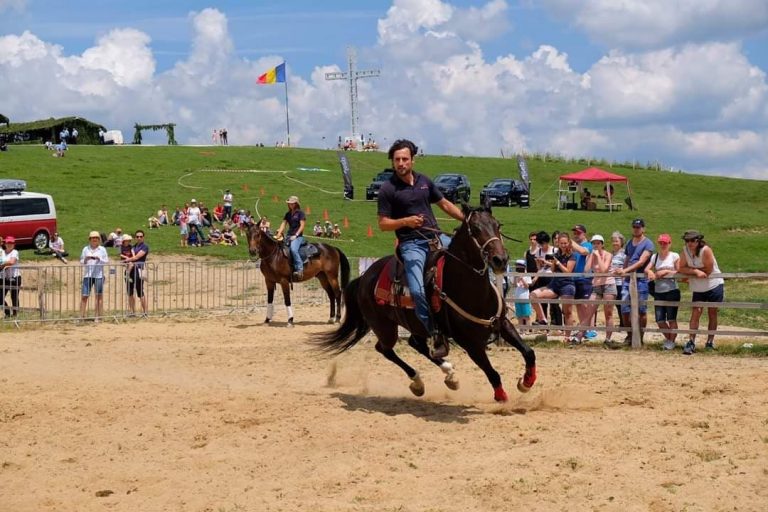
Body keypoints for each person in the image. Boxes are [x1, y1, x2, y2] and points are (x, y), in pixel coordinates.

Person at [377, 139, 465, 358]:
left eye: (405, 159)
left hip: (436, 239)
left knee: (471, 262)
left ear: (412, 160)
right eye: (397, 159)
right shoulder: (388, 189)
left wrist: (467, 219)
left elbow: (444, 204)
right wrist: (405, 221)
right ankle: (434, 334)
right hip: (411, 245)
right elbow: (383, 224)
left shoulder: (425, 181)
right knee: (417, 290)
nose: (401, 163)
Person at [678, 230, 724, 354]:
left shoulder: (706, 250)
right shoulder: (685, 251)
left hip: (713, 284)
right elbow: (680, 267)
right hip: (698, 286)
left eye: (693, 240)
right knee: (696, 312)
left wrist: (690, 270)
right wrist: (695, 272)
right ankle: (691, 341)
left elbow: (708, 270)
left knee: (712, 312)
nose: (690, 243)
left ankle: (710, 342)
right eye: (687, 241)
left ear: (698, 241)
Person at [612, 218, 654, 347]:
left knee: (641, 309)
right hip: (628, 278)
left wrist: (625, 270)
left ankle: (639, 337)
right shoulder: (630, 243)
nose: (636, 229)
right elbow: (628, 258)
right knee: (624, 308)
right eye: (635, 227)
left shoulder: (648, 244)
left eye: (639, 227)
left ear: (643, 229)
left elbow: (641, 261)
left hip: (641, 279)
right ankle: (630, 336)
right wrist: (624, 272)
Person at [530, 232, 576, 344]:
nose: (563, 245)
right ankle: (543, 319)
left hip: (567, 284)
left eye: (565, 243)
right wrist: (548, 263)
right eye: (561, 243)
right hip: (555, 283)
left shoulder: (572, 255)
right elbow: (553, 270)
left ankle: (568, 336)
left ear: (568, 243)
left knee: (567, 311)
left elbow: (568, 272)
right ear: (558, 243)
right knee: (533, 295)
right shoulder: (557, 254)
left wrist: (558, 263)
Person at [645, 233, 680, 350]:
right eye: (661, 243)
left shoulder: (674, 256)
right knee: (660, 320)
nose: (663, 245)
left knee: (671, 318)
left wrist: (665, 271)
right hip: (659, 291)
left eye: (665, 243)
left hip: (672, 290)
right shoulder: (655, 257)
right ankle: (669, 339)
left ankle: (671, 341)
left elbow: (679, 272)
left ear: (670, 243)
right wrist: (650, 272)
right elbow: (647, 268)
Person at [585, 234, 615, 344]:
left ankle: (608, 338)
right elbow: (586, 270)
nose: (596, 245)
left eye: (598, 243)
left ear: (602, 244)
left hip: (608, 284)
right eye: (594, 243)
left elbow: (604, 270)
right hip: (596, 285)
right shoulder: (591, 255)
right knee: (589, 311)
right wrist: (591, 257)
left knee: (608, 313)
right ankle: (579, 335)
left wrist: (597, 256)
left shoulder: (608, 255)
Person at [570, 224, 593, 343]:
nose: (576, 235)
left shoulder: (588, 245)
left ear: (584, 233)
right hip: (575, 278)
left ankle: (587, 329)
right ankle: (582, 329)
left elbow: (584, 252)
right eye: (575, 233)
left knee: (585, 305)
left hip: (584, 279)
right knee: (579, 305)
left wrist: (571, 242)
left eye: (578, 233)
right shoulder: (575, 247)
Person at [274, 196, 307, 280]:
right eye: (289, 203)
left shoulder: (300, 213)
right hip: (288, 235)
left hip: (298, 236)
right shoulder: (288, 214)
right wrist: (279, 233)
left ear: (296, 204)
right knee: (278, 248)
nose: (290, 205)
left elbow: (302, 226)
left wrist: (296, 235)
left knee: (293, 249)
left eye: (292, 203)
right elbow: (283, 224)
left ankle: (300, 269)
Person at [80, 231, 109, 322]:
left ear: (99, 240)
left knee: (98, 296)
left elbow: (106, 261)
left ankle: (97, 316)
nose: (94, 239)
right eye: (93, 238)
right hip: (87, 275)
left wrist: (99, 259)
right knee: (84, 296)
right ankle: (81, 316)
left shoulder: (102, 249)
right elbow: (81, 261)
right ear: (90, 239)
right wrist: (85, 259)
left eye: (96, 238)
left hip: (99, 275)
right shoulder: (85, 249)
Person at [125, 230, 149, 317]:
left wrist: (128, 259)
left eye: (141, 236)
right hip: (130, 271)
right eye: (137, 236)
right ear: (135, 238)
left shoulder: (145, 247)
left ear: (143, 237)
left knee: (140, 291)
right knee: (130, 292)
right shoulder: (133, 246)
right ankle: (132, 312)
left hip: (139, 270)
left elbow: (137, 257)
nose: (139, 238)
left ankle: (145, 312)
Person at [609, 231, 627, 341]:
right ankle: (622, 322)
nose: (614, 243)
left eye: (616, 241)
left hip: (621, 281)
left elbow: (625, 267)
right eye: (613, 241)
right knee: (616, 304)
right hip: (612, 281)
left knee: (622, 303)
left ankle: (624, 323)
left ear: (621, 242)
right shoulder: (611, 254)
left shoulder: (624, 254)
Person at [0, 236, 21, 318]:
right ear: (5, 243)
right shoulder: (2, 252)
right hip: (5, 278)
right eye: (8, 243)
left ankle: (15, 314)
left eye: (11, 243)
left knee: (14, 296)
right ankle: (7, 312)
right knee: (0, 297)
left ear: (14, 244)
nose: (9, 244)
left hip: (15, 277)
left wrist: (3, 265)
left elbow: (12, 262)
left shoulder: (15, 252)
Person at [512, 259, 532, 332]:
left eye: (518, 266)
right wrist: (515, 278)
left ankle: (527, 330)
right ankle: (521, 331)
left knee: (526, 316)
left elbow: (527, 286)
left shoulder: (527, 275)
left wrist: (522, 279)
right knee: (519, 316)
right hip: (517, 298)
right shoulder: (516, 275)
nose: (517, 267)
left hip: (525, 298)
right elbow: (514, 285)